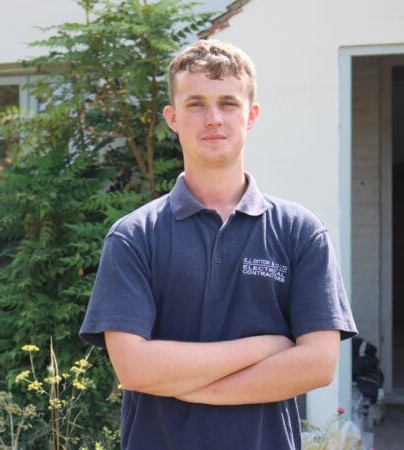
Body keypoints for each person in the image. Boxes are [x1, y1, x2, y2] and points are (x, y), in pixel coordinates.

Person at [79, 39, 357, 450]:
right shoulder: (134, 236)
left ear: (251, 116)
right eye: (195, 104)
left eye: (228, 103)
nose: (213, 118)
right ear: (172, 117)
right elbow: (134, 368)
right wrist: (265, 346)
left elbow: (317, 364)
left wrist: (196, 388)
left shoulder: (299, 230)